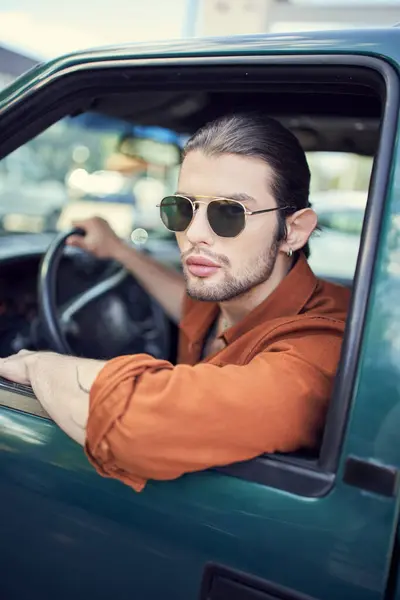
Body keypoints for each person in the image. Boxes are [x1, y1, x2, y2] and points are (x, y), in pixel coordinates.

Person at [0, 113, 350, 492]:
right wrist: (120, 251)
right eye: (182, 208)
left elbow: (135, 429)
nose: (193, 234)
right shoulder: (232, 292)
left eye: (229, 213)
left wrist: (40, 364)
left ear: (293, 231)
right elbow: (189, 308)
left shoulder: (318, 353)